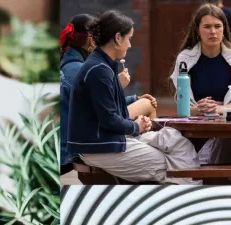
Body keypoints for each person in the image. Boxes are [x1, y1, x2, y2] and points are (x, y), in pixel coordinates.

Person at [67, 11, 199, 184]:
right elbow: (109, 120)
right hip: (100, 146)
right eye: (129, 38)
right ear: (117, 38)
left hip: (110, 140)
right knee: (168, 163)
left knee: (178, 142)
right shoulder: (99, 70)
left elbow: (108, 108)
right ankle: (184, 198)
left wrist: (135, 119)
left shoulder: (102, 65)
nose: (130, 45)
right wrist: (136, 126)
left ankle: (190, 189)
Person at [59, 13, 158, 173]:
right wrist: (118, 84)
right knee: (148, 106)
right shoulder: (85, 69)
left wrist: (132, 97)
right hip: (75, 148)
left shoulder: (81, 65)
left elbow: (96, 102)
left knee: (145, 104)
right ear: (92, 40)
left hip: (84, 137)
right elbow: (99, 109)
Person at [171, 4, 231, 165]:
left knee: (224, 141)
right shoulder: (185, 59)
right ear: (197, 31)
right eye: (207, 27)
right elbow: (183, 109)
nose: (213, 31)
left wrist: (215, 109)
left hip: (226, 129)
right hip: (195, 128)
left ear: (224, 29)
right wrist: (199, 109)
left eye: (217, 26)